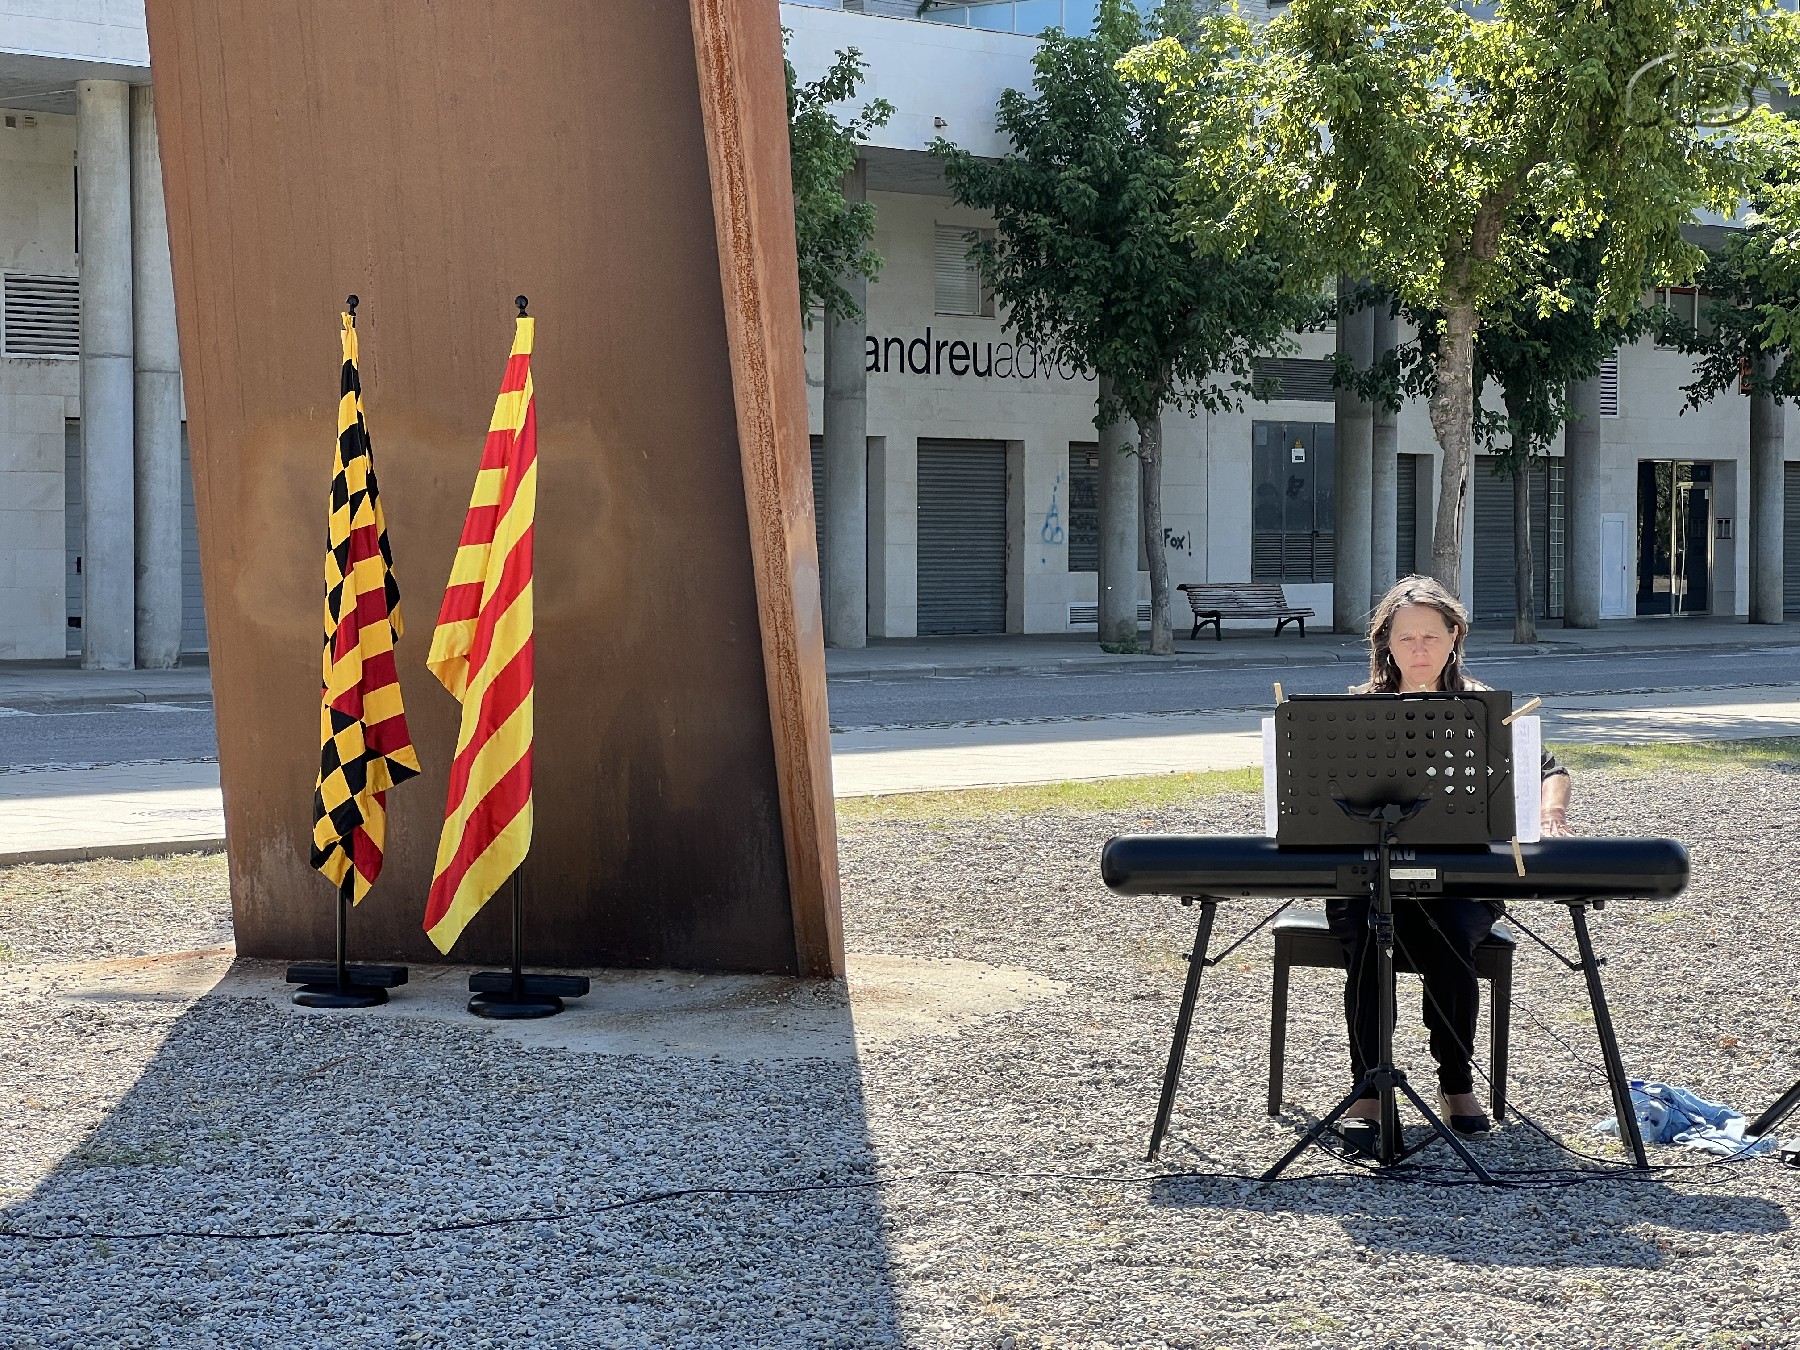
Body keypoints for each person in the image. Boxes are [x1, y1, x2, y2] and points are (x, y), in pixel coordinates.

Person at [1331, 576, 1572, 1153]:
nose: (1418, 649)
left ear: (1454, 636)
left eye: (1429, 637)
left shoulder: (1484, 707)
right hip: (1374, 873)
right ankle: (1369, 1084)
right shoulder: (1357, 709)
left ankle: (1456, 1082)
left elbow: (1550, 770)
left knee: (1449, 931)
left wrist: (1551, 814)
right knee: (1370, 932)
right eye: (1405, 637)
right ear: (1385, 641)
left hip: (1460, 874)